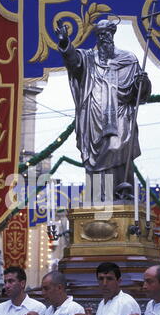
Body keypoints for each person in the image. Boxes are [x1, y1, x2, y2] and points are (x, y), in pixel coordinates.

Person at [56, 18, 151, 199]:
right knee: (96, 158)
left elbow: (139, 95)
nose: (104, 38)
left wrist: (142, 83)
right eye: (100, 35)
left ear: (112, 35)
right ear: (97, 38)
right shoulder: (88, 58)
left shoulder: (128, 59)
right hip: (93, 117)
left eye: (107, 34)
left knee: (118, 148)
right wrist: (64, 43)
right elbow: (73, 61)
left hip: (120, 115)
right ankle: (98, 196)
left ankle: (121, 192)